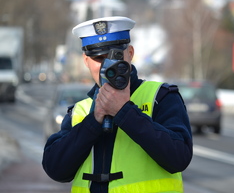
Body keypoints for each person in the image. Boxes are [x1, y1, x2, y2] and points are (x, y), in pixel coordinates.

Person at [42, 16, 193, 193]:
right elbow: (55, 169)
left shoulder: (160, 97)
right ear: (86, 60)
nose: (107, 66)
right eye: (99, 58)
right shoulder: (79, 111)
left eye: (114, 56)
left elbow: (179, 157)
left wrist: (125, 112)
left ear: (130, 53)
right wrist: (93, 121)